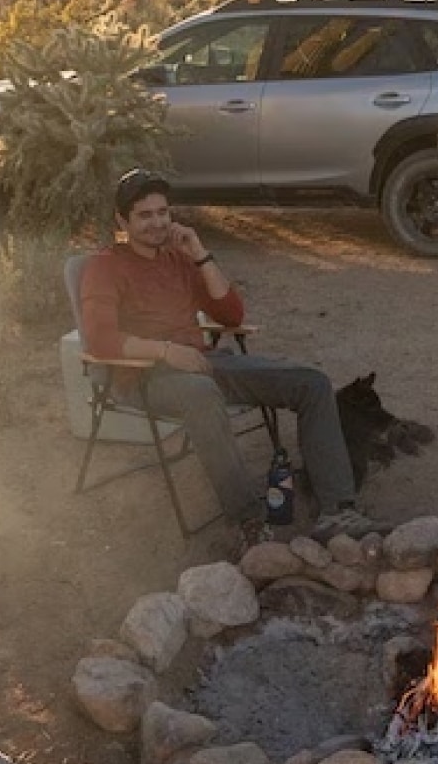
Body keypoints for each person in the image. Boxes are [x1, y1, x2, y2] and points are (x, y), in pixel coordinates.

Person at [81, 168, 380, 550]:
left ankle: (338, 510)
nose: (157, 223)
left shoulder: (178, 258)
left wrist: (200, 254)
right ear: (121, 220)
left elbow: (232, 316)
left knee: (312, 382)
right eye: (145, 215)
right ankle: (248, 521)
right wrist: (167, 351)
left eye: (163, 212)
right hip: (144, 377)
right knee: (201, 393)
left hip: (202, 363)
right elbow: (100, 339)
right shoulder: (104, 267)